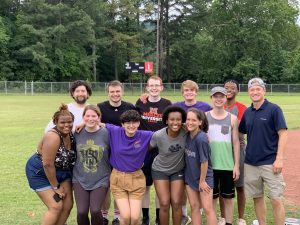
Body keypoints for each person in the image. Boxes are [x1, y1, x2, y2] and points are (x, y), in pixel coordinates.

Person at [239, 78, 287, 225]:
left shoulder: (274, 109)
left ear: (264, 91)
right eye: (252, 90)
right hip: (251, 163)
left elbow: (283, 133)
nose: (255, 92)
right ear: (248, 92)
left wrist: (279, 158)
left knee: (276, 199)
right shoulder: (247, 112)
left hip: (270, 162)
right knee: (257, 197)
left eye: (258, 89)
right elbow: (240, 133)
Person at [25, 104, 76, 225]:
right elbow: (47, 164)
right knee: (56, 205)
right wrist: (56, 187)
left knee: (68, 205)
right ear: (55, 122)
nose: (67, 125)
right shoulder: (53, 136)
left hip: (62, 171)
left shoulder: (71, 133)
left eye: (70, 122)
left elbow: (39, 146)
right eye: (63, 122)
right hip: (41, 172)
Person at [97, 80, 136, 225]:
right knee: (106, 184)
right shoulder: (100, 107)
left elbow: (135, 126)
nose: (115, 94)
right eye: (112, 92)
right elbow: (93, 121)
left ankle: (118, 215)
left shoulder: (130, 107)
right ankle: (104, 214)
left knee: (120, 185)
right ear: (108, 93)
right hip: (105, 151)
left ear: (122, 92)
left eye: (117, 91)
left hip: (123, 152)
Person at [173, 80, 211, 225]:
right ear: (182, 92)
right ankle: (184, 215)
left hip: (198, 145)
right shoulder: (177, 106)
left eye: (192, 90)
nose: (189, 93)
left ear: (196, 91)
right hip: (184, 147)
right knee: (185, 185)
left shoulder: (204, 106)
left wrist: (206, 134)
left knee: (198, 179)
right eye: (186, 90)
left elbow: (209, 120)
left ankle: (199, 212)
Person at [106, 110, 153, 225]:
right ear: (122, 124)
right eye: (127, 122)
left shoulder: (145, 135)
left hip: (136, 179)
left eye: (134, 122)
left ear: (138, 123)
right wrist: (82, 124)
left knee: (135, 218)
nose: (131, 125)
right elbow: (99, 124)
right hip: (118, 178)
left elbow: (164, 133)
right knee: (126, 216)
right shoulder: (115, 131)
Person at [135, 75, 172, 225]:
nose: (154, 88)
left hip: (162, 149)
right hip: (145, 149)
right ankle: (145, 218)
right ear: (147, 87)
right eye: (151, 85)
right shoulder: (140, 102)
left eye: (157, 85)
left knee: (160, 185)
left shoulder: (167, 104)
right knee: (145, 185)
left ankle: (158, 218)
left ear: (162, 87)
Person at [206, 87, 240, 225]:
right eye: (216, 96)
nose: (218, 99)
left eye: (221, 96)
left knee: (228, 198)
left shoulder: (232, 118)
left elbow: (236, 143)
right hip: (209, 166)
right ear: (211, 98)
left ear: (226, 98)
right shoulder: (205, 116)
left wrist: (236, 165)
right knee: (212, 199)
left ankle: (229, 222)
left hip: (227, 165)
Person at [73, 105, 111, 225]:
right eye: (87, 116)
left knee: (95, 210)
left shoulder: (107, 133)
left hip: (101, 178)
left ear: (99, 117)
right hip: (80, 177)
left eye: (94, 116)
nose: (90, 118)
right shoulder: (76, 133)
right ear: (83, 117)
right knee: (81, 212)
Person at [150, 106, 187, 225]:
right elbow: (147, 149)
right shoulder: (158, 135)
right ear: (166, 120)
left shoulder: (186, 132)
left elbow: (201, 131)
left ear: (182, 121)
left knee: (177, 203)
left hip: (178, 170)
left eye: (178, 119)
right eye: (172, 119)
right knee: (164, 203)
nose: (175, 122)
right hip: (160, 170)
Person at [185, 108, 217, 225]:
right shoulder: (187, 134)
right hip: (190, 177)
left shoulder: (201, 138)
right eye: (188, 119)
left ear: (200, 122)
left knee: (208, 208)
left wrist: (202, 181)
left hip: (204, 178)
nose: (190, 122)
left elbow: (204, 162)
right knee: (194, 207)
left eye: (194, 120)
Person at [222, 79, 248, 225]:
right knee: (221, 185)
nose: (229, 89)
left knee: (240, 186)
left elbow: (238, 132)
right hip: (220, 149)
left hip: (238, 149)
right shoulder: (218, 104)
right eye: (226, 87)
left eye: (232, 87)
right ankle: (223, 217)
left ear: (238, 90)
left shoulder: (241, 107)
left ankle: (241, 217)